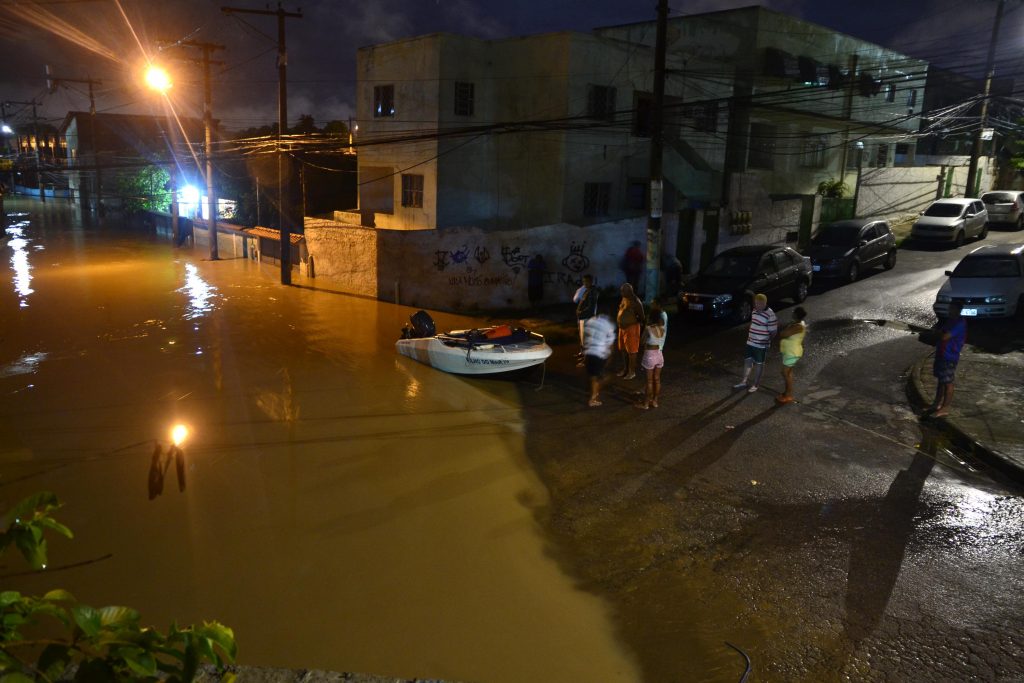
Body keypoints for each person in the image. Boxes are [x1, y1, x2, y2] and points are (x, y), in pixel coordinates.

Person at [925, 302, 967, 418]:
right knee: (941, 380)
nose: (950, 311)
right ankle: (936, 404)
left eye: (952, 309)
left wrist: (935, 333)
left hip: (949, 357)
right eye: (950, 309)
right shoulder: (951, 320)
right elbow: (942, 332)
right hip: (942, 354)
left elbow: (945, 336)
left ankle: (945, 408)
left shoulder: (959, 323)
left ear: (958, 310)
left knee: (948, 382)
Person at [733, 293, 777, 393]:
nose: (758, 306)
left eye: (760, 304)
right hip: (750, 342)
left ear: (765, 303)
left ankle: (756, 384)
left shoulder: (770, 314)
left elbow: (773, 331)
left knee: (759, 364)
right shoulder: (754, 311)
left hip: (761, 345)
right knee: (748, 362)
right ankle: (744, 381)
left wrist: (767, 341)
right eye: (756, 303)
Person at [637, 300, 667, 409]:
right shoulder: (662, 329)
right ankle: (655, 401)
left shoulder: (649, 329)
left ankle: (645, 404)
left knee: (649, 381)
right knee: (657, 379)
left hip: (649, 355)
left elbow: (641, 342)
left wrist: (645, 327)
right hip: (659, 354)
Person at [582, 313, 617, 407]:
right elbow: (610, 344)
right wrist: (609, 356)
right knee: (602, 377)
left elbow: (585, 336)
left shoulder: (590, 321)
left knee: (593, 376)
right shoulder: (609, 325)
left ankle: (594, 392)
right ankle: (593, 398)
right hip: (599, 353)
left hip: (588, 352)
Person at [776, 307, 808, 404]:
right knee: (788, 373)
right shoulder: (797, 324)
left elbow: (783, 334)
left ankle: (788, 395)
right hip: (790, 352)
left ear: (796, 314)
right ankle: (786, 393)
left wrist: (784, 330)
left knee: (785, 373)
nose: (792, 313)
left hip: (792, 353)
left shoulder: (797, 326)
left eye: (793, 312)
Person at [616, 282, 645, 380]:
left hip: (631, 328)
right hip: (622, 328)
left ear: (630, 291)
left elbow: (642, 317)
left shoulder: (636, 302)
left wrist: (633, 323)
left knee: (632, 351)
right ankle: (625, 369)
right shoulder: (624, 298)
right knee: (623, 350)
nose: (621, 292)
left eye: (623, 291)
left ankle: (632, 372)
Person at [572, 274, 599, 365]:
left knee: (587, 340)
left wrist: (580, 312)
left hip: (587, 317)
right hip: (583, 317)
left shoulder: (592, 291)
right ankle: (584, 356)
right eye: (584, 281)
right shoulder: (587, 290)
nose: (585, 283)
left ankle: (586, 361)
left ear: (591, 281)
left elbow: (590, 307)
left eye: (586, 281)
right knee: (583, 339)